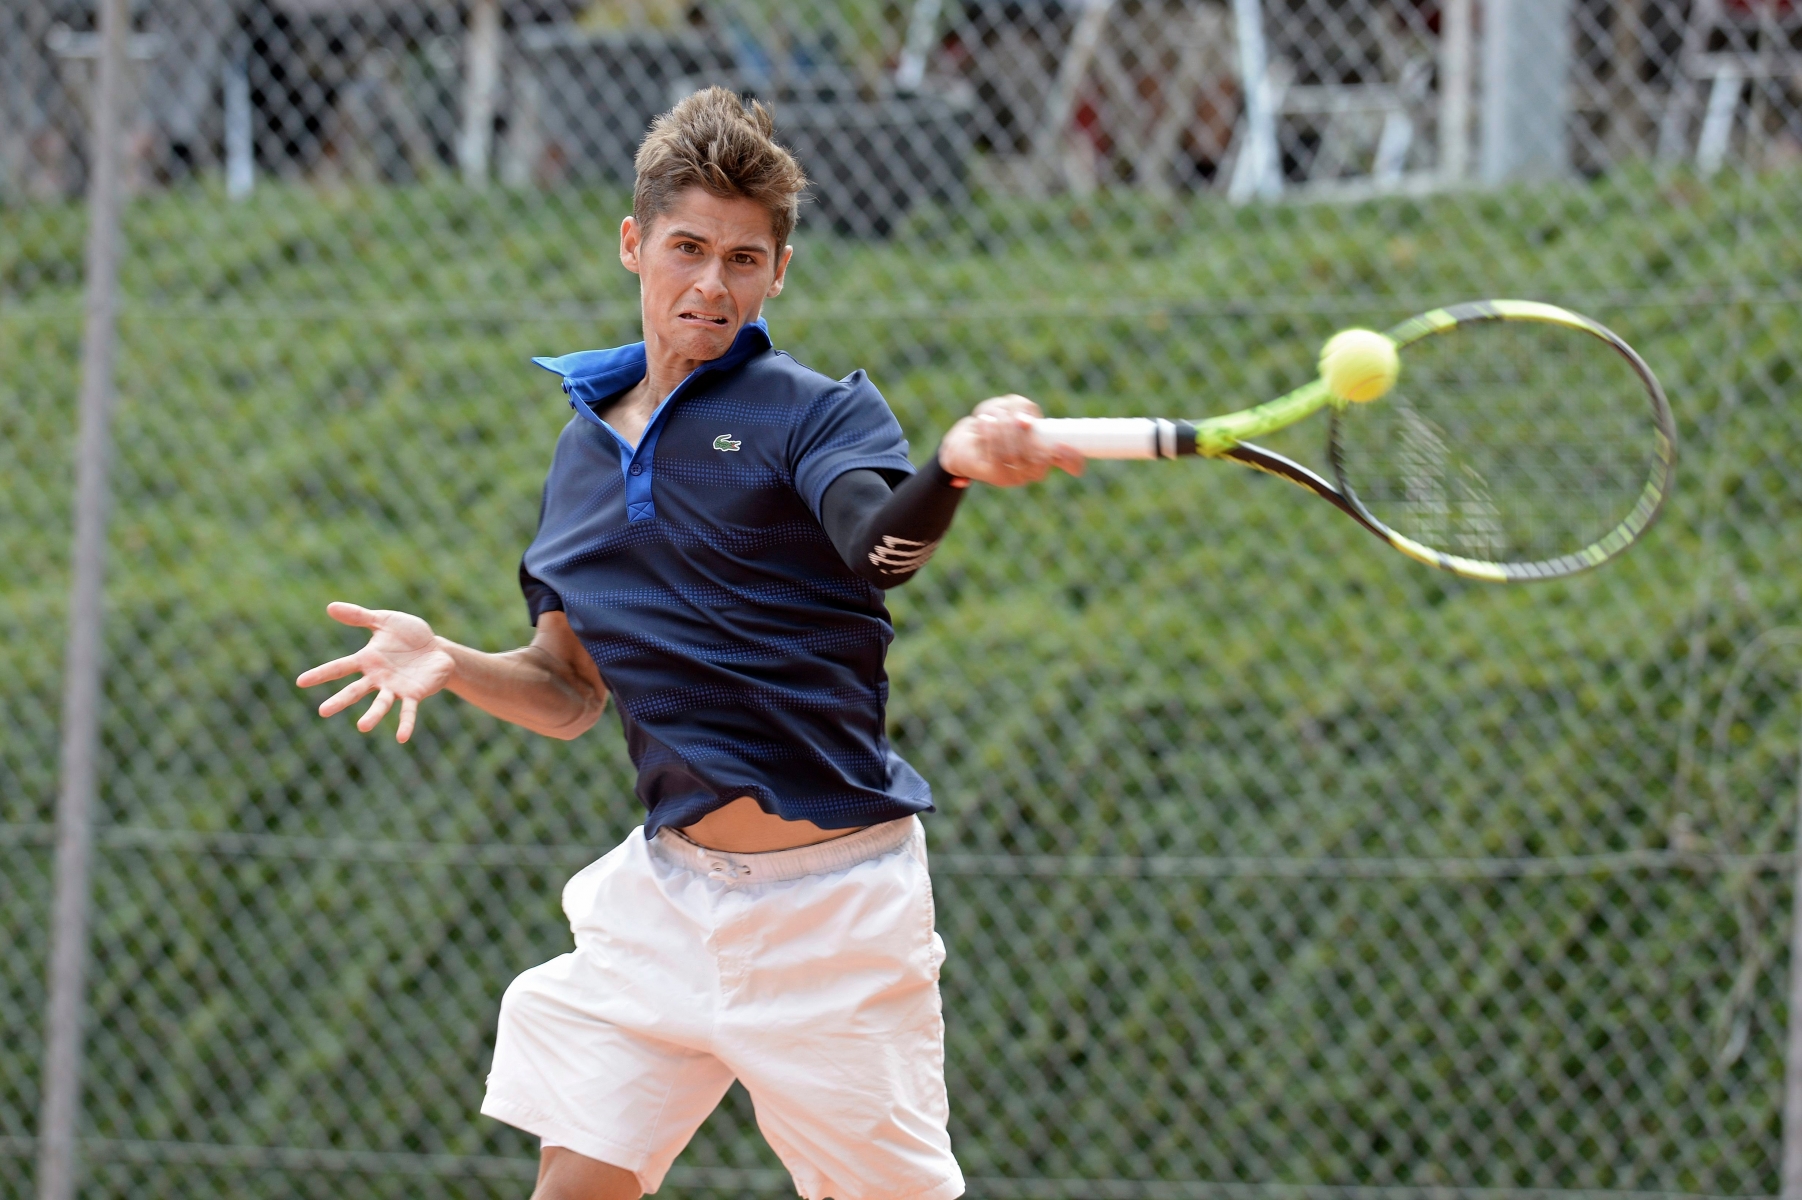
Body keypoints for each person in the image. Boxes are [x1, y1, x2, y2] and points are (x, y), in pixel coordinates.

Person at [295, 87, 1083, 1200]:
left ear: (779, 271)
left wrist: (947, 470)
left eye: (744, 260)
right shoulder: (581, 452)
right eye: (687, 249)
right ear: (633, 245)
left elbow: (877, 554)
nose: (711, 284)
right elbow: (571, 693)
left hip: (834, 913)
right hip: (667, 900)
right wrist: (453, 663)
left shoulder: (817, 414)